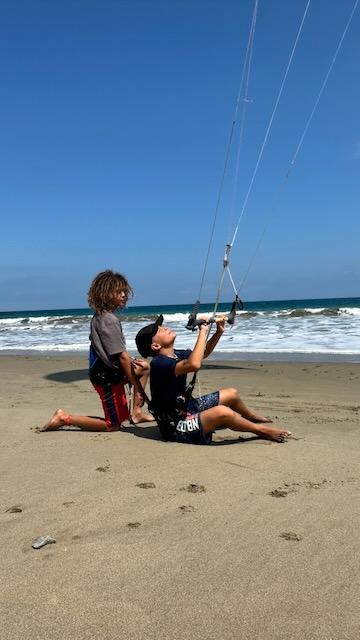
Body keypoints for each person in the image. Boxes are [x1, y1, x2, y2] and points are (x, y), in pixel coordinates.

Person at [135, 315, 291, 444]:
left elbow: (202, 354)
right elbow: (195, 364)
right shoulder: (159, 363)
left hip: (187, 408)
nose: (165, 327)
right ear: (155, 346)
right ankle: (261, 431)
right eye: (159, 329)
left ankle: (250, 417)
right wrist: (202, 332)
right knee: (223, 412)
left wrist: (218, 332)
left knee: (232, 393)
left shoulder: (175, 354)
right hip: (176, 426)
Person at [40, 270, 153, 432]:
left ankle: (136, 413)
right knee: (112, 425)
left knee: (143, 367)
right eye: (118, 292)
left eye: (124, 292)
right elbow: (121, 357)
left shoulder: (101, 316)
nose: (123, 295)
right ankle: (64, 418)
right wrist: (139, 390)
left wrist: (131, 362)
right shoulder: (108, 320)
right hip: (106, 378)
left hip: (107, 371)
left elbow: (112, 351)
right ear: (105, 294)